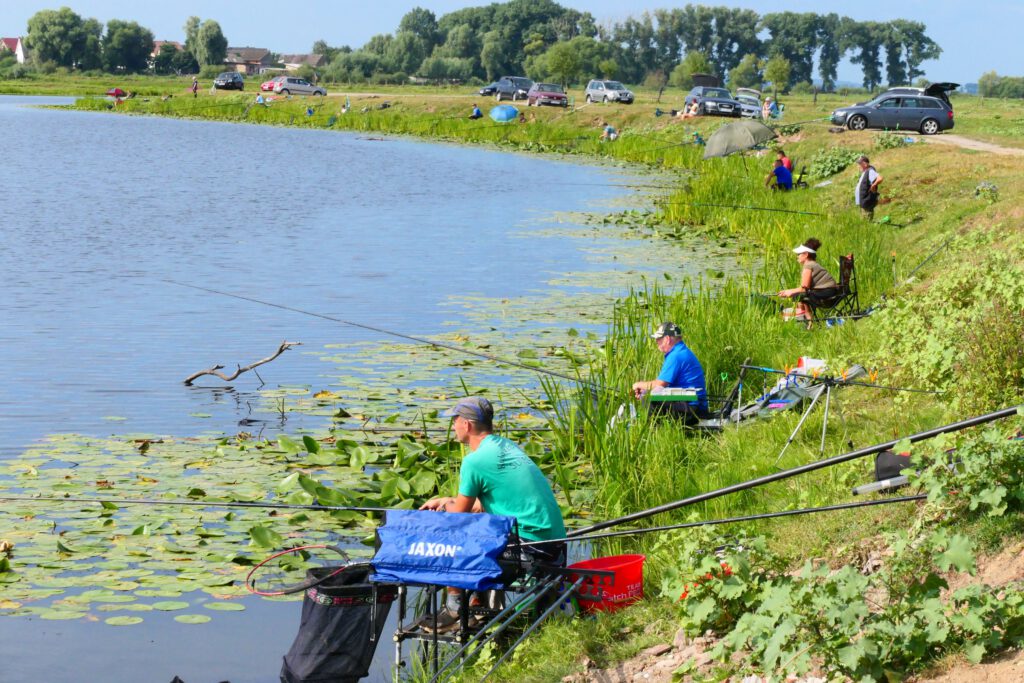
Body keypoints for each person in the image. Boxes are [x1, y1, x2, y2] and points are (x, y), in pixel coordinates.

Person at [419, 397, 566, 633]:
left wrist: (445, 506)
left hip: (531, 549)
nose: (453, 426)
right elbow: (487, 502)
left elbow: (458, 514)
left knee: (451, 544)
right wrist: (446, 501)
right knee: (481, 528)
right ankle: (476, 605)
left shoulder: (474, 461)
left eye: (455, 420)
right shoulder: (506, 446)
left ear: (467, 424)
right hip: (555, 544)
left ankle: (455, 609)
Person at [632, 322, 708, 421]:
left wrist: (638, 384)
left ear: (667, 339)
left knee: (649, 400)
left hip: (693, 409)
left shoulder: (675, 356)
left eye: (658, 339)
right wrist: (645, 391)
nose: (656, 341)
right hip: (691, 404)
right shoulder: (680, 351)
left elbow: (660, 384)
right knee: (647, 395)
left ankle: (651, 431)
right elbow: (663, 386)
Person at [778, 238, 840, 321]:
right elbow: (805, 288)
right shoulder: (813, 264)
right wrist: (789, 291)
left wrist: (790, 291)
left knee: (798, 296)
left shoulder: (808, 266)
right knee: (799, 295)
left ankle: (809, 322)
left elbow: (804, 288)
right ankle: (808, 321)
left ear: (806, 254)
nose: (797, 256)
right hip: (831, 291)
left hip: (826, 292)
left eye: (798, 254)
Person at [855, 155, 883, 220]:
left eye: (860, 164)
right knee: (864, 221)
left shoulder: (870, 171)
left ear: (865, 164)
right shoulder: (864, 172)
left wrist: (874, 185)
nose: (858, 166)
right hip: (863, 202)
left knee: (867, 221)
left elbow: (880, 178)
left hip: (867, 201)